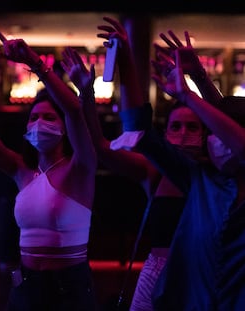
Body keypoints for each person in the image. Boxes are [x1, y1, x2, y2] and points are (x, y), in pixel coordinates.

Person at [60, 17, 207, 311]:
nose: (183, 134)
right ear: (166, 133)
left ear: (206, 135)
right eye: (176, 127)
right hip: (156, 271)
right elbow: (102, 147)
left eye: (193, 128)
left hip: (200, 271)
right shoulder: (154, 171)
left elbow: (138, 125)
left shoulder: (214, 174)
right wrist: (86, 95)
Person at [0, 24, 98, 311]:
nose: (38, 123)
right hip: (26, 283)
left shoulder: (80, 166)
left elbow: (73, 109)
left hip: (68, 287)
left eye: (48, 117)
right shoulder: (22, 171)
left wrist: (35, 62)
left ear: (64, 128)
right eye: (33, 118)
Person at [111, 38, 245, 310]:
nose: (216, 140)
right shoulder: (199, 178)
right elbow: (138, 127)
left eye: (221, 133)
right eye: (213, 134)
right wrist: (125, 58)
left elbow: (241, 145)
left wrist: (191, 92)